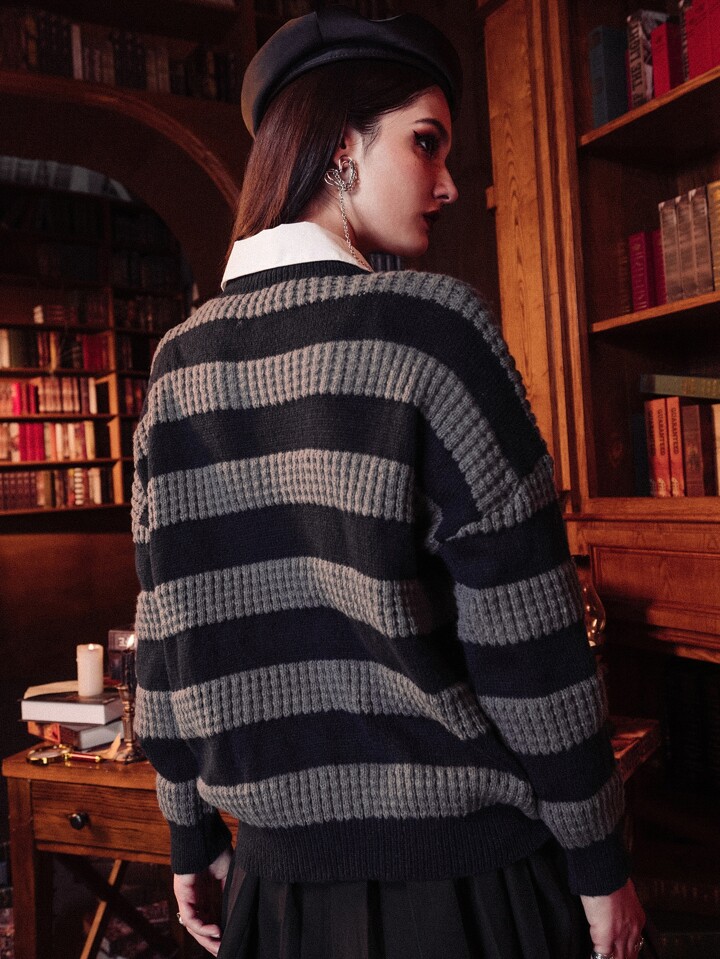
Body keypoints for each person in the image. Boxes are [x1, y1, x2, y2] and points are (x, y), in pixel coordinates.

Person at [132, 7, 647, 959]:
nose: (447, 182)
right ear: (341, 146)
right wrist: (600, 860)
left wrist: (189, 836)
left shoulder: (176, 366)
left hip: (276, 901)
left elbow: (166, 634)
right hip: (468, 892)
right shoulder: (433, 330)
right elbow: (529, 637)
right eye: (426, 141)